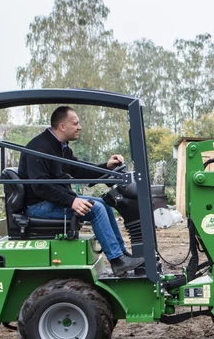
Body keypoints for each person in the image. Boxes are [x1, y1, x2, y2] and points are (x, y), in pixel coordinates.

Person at [18, 106, 144, 277]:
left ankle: (121, 254)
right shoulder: (39, 148)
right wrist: (72, 201)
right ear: (62, 126)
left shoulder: (61, 147)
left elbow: (79, 170)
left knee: (103, 204)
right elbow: (40, 187)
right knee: (96, 209)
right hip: (38, 206)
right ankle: (116, 260)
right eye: (75, 123)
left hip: (53, 201)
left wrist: (106, 167)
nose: (80, 127)